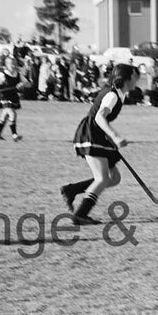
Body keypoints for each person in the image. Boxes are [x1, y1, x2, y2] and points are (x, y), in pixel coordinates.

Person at [61, 64, 140, 225]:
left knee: (114, 178)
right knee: (102, 178)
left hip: (99, 135)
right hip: (91, 133)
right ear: (127, 78)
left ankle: (73, 189)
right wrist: (115, 136)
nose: (137, 81)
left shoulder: (119, 93)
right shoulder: (112, 95)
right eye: (135, 77)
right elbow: (99, 117)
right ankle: (80, 215)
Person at [0, 57, 22, 141]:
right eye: (11, 63)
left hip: (13, 96)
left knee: (5, 116)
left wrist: (22, 84)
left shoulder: (18, 74)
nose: (13, 65)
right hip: (4, 96)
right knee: (12, 114)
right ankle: (14, 135)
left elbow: (28, 83)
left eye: (14, 63)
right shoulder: (2, 74)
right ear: (6, 64)